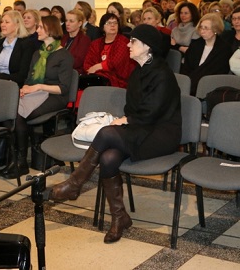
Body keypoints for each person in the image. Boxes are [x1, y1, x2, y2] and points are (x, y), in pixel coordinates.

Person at [49, 24, 182, 244]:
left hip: (162, 133)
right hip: (142, 128)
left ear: (147, 46)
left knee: (106, 133)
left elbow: (153, 111)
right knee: (108, 157)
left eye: (133, 41)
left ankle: (74, 184)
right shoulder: (137, 71)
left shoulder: (162, 73)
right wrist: (128, 119)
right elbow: (132, 106)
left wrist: (127, 121)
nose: (128, 45)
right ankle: (119, 217)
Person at [0, 16, 74, 179]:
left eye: (40, 27)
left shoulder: (64, 55)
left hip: (54, 95)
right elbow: (29, 79)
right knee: (7, 112)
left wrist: (38, 87)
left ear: (50, 30)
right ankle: (15, 159)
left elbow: (63, 88)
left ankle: (21, 162)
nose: (37, 30)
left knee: (17, 114)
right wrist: (24, 89)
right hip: (35, 93)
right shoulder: (37, 54)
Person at [180, 13, 231, 95]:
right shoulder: (195, 45)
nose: (202, 31)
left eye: (206, 28)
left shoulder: (224, 49)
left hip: (211, 86)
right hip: (191, 83)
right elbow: (187, 67)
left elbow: (220, 71)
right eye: (201, 27)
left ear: (215, 30)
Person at [83, 13, 135, 89]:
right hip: (97, 80)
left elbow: (116, 63)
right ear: (102, 27)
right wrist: (99, 73)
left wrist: (98, 67)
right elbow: (87, 64)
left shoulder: (123, 42)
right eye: (109, 23)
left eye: (115, 23)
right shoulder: (95, 43)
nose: (113, 25)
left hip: (119, 82)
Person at [0, 10, 35, 87]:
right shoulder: (1, 42)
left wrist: (0, 77)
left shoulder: (26, 43)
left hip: (15, 85)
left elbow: (23, 75)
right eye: (2, 22)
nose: (2, 25)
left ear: (17, 25)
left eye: (7, 22)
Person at [61, 9, 91, 74]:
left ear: (79, 23)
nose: (67, 24)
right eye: (66, 20)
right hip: (62, 71)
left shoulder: (84, 40)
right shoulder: (63, 38)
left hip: (75, 73)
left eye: (71, 21)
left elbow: (78, 61)